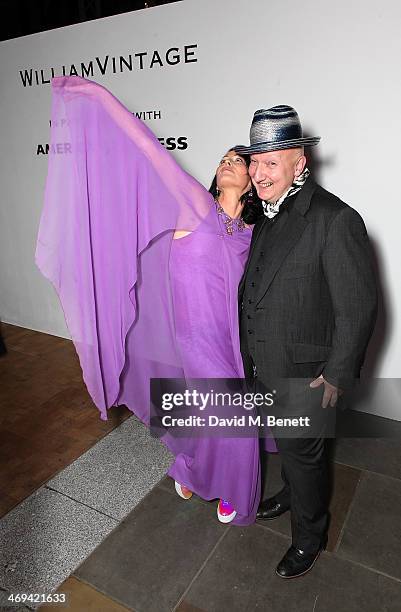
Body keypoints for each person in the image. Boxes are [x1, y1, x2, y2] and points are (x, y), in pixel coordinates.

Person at [35, 76, 275, 526]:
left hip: (234, 338)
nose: (226, 164)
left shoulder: (250, 233)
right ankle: (235, 494)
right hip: (199, 339)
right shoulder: (194, 208)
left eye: (236, 162)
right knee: (234, 417)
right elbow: (149, 151)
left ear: (250, 179)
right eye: (222, 159)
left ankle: (190, 470)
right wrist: (98, 97)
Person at [236, 105, 377, 577]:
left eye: (271, 162)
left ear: (300, 164)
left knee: (306, 457)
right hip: (269, 365)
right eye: (255, 161)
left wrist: (335, 376)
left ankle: (309, 537)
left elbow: (357, 309)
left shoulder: (335, 219)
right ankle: (291, 493)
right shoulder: (269, 214)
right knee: (293, 451)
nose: (258, 173)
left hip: (307, 378)